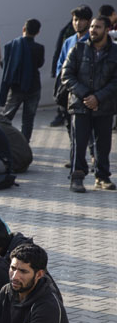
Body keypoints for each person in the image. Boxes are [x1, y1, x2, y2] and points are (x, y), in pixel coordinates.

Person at [62, 16, 117, 192]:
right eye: (92, 26)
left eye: (98, 27)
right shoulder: (77, 49)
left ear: (107, 29)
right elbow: (66, 75)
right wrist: (86, 95)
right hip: (80, 104)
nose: (93, 30)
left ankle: (102, 177)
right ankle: (77, 177)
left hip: (104, 105)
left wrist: (98, 97)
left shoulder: (115, 52)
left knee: (103, 144)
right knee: (79, 143)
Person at [0, 19, 44, 141]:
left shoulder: (12, 45)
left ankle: (2, 140)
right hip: (33, 87)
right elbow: (40, 64)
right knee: (28, 121)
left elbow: (4, 65)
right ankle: (24, 146)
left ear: (24, 28)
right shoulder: (39, 48)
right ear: (38, 32)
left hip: (16, 87)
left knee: (6, 117)